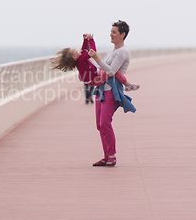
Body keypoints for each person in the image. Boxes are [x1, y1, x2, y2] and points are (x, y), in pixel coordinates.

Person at [87, 20, 134, 167]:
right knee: (99, 125)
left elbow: (111, 71)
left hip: (111, 92)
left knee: (105, 123)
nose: (111, 34)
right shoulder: (111, 52)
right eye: (111, 31)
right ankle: (106, 156)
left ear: (122, 34)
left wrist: (96, 59)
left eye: (114, 32)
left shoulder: (123, 52)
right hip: (100, 91)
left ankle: (112, 155)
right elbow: (101, 68)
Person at [50, 34, 139, 90]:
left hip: (93, 78)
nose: (75, 49)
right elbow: (92, 52)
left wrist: (85, 40)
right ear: (74, 56)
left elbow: (83, 51)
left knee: (109, 68)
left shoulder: (79, 60)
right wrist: (91, 40)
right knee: (114, 71)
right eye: (73, 50)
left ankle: (126, 85)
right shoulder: (80, 60)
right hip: (96, 78)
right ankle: (127, 85)